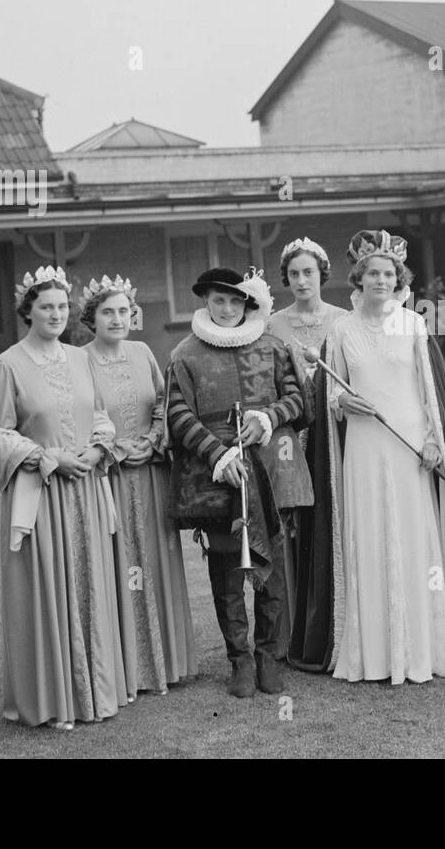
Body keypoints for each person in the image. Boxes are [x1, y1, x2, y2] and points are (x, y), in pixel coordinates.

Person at [316, 229, 445, 684]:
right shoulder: (340, 331)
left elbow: (429, 393)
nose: (381, 280)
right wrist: (342, 404)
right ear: (358, 280)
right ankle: (374, 653)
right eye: (372, 273)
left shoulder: (414, 325)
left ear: (399, 280)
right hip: (363, 447)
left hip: (411, 448)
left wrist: (435, 443)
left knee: (415, 542)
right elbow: (331, 394)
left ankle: (423, 645)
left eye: (388, 273)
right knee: (371, 537)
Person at [0, 266, 126, 728]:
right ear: (28, 311)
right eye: (46, 307)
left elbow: (100, 416)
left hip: (85, 490)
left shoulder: (80, 359)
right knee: (49, 591)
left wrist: (99, 447)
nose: (56, 314)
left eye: (63, 306)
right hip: (41, 498)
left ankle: (96, 693)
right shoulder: (5, 366)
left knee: (89, 584)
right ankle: (55, 700)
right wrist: (48, 459)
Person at [166, 266, 303, 697]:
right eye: (218, 300)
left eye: (235, 300)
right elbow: (176, 414)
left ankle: (269, 658)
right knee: (227, 572)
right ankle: (239, 661)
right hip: (216, 480)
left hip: (270, 474)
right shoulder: (184, 354)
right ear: (205, 301)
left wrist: (268, 417)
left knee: (273, 572)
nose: (227, 308)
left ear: (247, 303)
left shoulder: (274, 346)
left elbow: (298, 398)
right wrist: (218, 454)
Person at [81, 274, 197, 695]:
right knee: (121, 562)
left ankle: (169, 663)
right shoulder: (81, 360)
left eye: (123, 311)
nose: (117, 318)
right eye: (106, 312)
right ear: (91, 318)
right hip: (110, 477)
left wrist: (152, 439)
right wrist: (115, 449)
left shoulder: (144, 351)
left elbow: (164, 401)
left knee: (157, 559)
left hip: (151, 473)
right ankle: (128, 666)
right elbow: (82, 413)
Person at [264, 237, 347, 647]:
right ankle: (294, 624)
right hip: (292, 437)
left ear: (322, 275)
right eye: (294, 274)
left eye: (308, 272)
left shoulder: (343, 319)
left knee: (335, 516)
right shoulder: (273, 324)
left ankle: (339, 618)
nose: (301, 280)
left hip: (336, 432)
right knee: (294, 524)